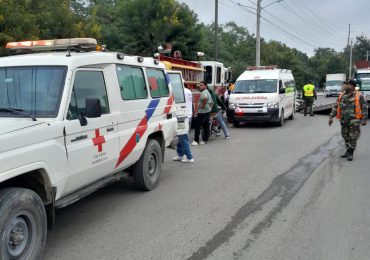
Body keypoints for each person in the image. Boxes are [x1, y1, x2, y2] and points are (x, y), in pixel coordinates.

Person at [328, 79, 368, 161]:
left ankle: (351, 153)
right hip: (343, 120)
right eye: (345, 84)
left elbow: (364, 107)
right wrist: (331, 117)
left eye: (347, 84)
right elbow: (336, 106)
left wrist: (364, 119)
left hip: (355, 120)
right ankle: (348, 150)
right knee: (345, 136)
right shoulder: (342, 95)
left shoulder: (359, 96)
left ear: (352, 86)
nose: (345, 86)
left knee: (353, 137)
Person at [173, 85, 194, 163]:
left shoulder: (180, 92)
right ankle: (180, 154)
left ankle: (189, 157)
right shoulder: (188, 91)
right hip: (187, 115)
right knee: (180, 136)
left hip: (182, 116)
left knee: (183, 136)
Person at [192, 81, 213, 145]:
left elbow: (205, 98)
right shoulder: (207, 92)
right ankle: (204, 140)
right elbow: (212, 102)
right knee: (206, 126)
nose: (200, 86)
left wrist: (203, 106)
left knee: (198, 126)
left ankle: (196, 140)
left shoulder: (204, 93)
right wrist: (209, 109)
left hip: (202, 112)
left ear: (205, 86)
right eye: (200, 85)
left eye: (202, 85)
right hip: (207, 112)